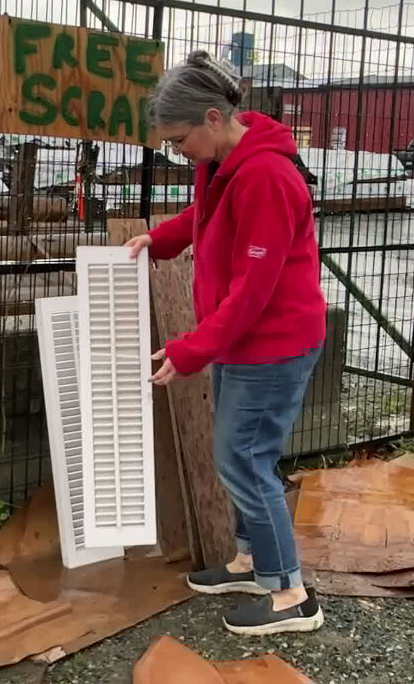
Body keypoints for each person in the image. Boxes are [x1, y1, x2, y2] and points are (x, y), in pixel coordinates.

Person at [124, 50, 328, 636]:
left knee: (244, 458)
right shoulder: (225, 163)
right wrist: (159, 239)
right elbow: (207, 215)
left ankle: (290, 594)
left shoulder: (267, 177)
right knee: (240, 452)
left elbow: (253, 293)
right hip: (245, 342)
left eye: (179, 140)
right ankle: (249, 562)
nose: (178, 151)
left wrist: (191, 349)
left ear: (213, 118)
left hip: (274, 343)